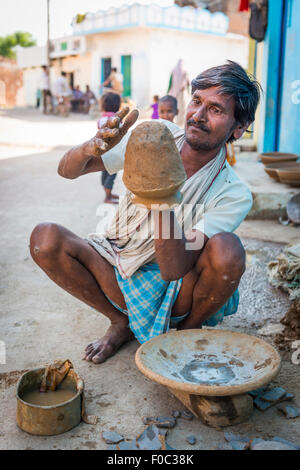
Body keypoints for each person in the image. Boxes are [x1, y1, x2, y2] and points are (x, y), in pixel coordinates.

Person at [30, 61, 261, 365]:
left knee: (228, 252)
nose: (198, 116)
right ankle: (119, 321)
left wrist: (161, 195)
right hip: (118, 262)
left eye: (216, 110)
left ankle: (185, 334)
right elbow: (67, 171)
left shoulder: (233, 192)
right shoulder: (158, 134)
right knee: (44, 238)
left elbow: (173, 269)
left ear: (239, 127)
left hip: (176, 289)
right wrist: (92, 146)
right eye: (196, 101)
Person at [98, 92, 121, 204]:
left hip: (103, 151)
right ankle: (107, 197)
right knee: (111, 175)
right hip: (114, 151)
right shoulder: (117, 119)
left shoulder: (102, 119)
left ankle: (108, 194)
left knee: (104, 173)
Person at [168, 59, 190, 128]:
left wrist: (168, 91)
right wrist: (189, 92)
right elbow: (188, 83)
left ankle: (175, 123)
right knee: (181, 108)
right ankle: (180, 124)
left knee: (175, 107)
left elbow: (170, 82)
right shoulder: (185, 71)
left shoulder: (174, 70)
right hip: (182, 92)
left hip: (174, 92)